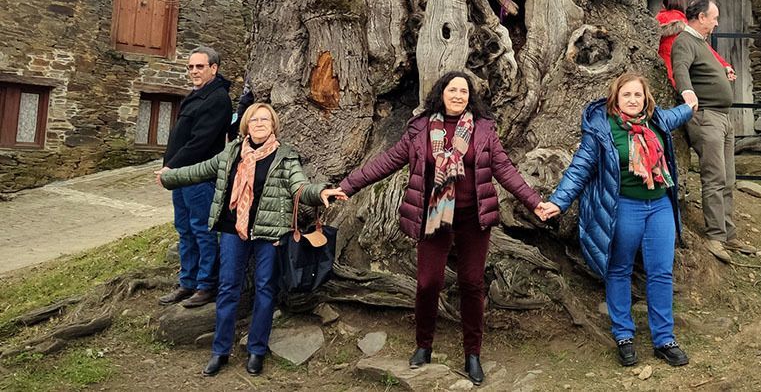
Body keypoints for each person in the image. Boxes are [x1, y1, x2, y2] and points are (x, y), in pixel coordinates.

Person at [334, 71, 548, 387]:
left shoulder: (483, 129)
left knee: (472, 284)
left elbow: (504, 169)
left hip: (473, 218)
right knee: (427, 283)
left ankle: (472, 354)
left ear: (470, 97)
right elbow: (387, 161)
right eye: (453, 90)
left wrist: (534, 202)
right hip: (433, 216)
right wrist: (348, 186)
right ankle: (423, 345)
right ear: (441, 93)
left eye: (464, 91)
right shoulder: (420, 129)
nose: (459, 95)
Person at [156, 103, 345, 377]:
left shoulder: (285, 155)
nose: (259, 123)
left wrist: (321, 192)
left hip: (269, 233)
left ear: (273, 125)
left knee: (265, 288)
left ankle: (256, 349)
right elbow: (200, 170)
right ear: (246, 125)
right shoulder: (232, 152)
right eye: (254, 119)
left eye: (265, 119)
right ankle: (220, 351)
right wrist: (169, 177)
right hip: (234, 229)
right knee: (228, 288)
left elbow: (299, 186)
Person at [536, 73, 697, 368]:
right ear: (615, 99)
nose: (633, 100)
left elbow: (677, 115)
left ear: (646, 99)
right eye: (627, 96)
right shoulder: (602, 129)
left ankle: (664, 339)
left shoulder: (656, 120)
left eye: (638, 95)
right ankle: (624, 335)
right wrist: (558, 202)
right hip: (623, 207)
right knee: (619, 269)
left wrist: (689, 105)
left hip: (659, 205)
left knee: (661, 271)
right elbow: (579, 169)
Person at [671, 0, 756, 264]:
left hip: (723, 118)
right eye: (714, 17)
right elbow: (680, 69)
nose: (717, 22)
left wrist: (724, 69)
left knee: (728, 178)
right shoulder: (684, 41)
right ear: (700, 17)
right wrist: (687, 92)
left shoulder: (701, 43)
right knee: (715, 177)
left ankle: (728, 234)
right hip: (706, 118)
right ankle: (715, 237)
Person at [158, 46, 232, 308]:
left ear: (214, 68)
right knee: (185, 230)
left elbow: (200, 142)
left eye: (199, 66)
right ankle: (187, 281)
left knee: (202, 230)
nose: (193, 71)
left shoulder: (218, 98)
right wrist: (170, 167)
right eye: (190, 67)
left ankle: (205, 285)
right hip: (181, 176)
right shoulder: (197, 95)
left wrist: (171, 167)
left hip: (199, 177)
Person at [656, 0, 734, 87]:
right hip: (678, 77)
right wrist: (725, 65)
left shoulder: (655, 20)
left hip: (661, 72)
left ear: (664, 3)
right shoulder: (687, 25)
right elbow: (706, 50)